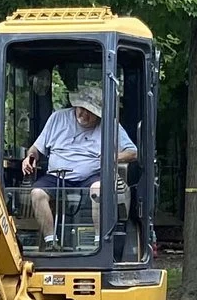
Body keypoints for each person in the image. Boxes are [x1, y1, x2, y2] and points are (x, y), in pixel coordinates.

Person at [20, 85, 136, 243]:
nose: (84, 114)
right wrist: (29, 159)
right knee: (37, 194)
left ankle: (98, 243)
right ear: (75, 105)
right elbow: (35, 149)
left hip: (92, 175)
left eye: (91, 112)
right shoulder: (57, 118)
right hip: (57, 175)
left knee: (99, 190)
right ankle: (50, 242)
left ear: (99, 114)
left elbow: (133, 152)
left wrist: (112, 157)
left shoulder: (110, 125)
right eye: (81, 108)